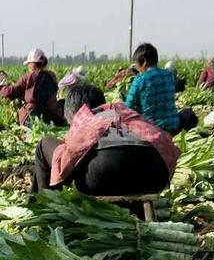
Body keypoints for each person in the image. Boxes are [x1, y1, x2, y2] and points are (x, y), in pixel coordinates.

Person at [32, 83, 180, 195]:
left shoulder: (85, 118)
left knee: (44, 145)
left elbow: (68, 159)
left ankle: (48, 206)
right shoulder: (125, 112)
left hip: (106, 174)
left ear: (74, 111)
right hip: (156, 176)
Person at [125, 43, 197, 133]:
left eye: (136, 63)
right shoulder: (169, 75)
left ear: (143, 62)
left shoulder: (140, 79)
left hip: (151, 129)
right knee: (187, 113)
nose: (137, 67)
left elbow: (128, 107)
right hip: (173, 126)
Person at [0, 48, 64, 124]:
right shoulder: (51, 76)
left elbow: (10, 92)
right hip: (49, 118)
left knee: (26, 114)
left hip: (31, 118)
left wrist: (1, 87)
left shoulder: (28, 77)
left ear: (31, 64)